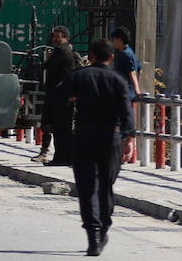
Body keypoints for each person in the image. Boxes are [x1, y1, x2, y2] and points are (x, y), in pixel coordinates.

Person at [50, 39, 135, 256]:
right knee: (106, 185)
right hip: (111, 139)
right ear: (111, 57)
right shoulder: (118, 81)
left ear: (92, 56)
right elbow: (127, 114)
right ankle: (104, 226)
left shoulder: (78, 76)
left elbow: (57, 97)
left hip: (84, 136)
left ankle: (93, 237)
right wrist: (129, 140)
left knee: (87, 189)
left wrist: (71, 99)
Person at [33, 25, 80, 165]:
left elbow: (48, 65)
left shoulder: (62, 51)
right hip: (61, 94)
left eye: (56, 36)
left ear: (63, 36)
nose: (54, 39)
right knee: (61, 128)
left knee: (61, 129)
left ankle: (61, 158)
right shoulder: (64, 50)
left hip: (60, 95)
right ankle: (65, 157)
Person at [110, 27, 141, 102]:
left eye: (114, 39)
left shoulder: (125, 54)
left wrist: (137, 91)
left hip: (125, 93)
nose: (112, 41)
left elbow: (132, 72)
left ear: (119, 40)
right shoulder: (129, 52)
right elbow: (139, 69)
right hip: (129, 92)